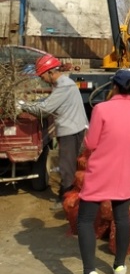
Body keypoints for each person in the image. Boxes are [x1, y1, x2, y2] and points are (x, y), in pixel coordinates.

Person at [74, 67, 130, 274]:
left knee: (86, 220)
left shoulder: (101, 108)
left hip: (101, 170)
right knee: (122, 217)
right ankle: (119, 267)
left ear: (114, 86)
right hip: (128, 169)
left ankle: (89, 273)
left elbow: (90, 143)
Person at [19, 54, 88, 208]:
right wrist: (34, 102)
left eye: (42, 75)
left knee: (66, 167)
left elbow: (44, 110)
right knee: (69, 165)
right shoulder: (62, 84)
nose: (42, 79)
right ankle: (70, 196)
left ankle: (66, 200)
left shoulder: (63, 86)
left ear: (51, 72)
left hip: (70, 130)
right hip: (74, 127)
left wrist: (22, 105)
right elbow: (48, 102)